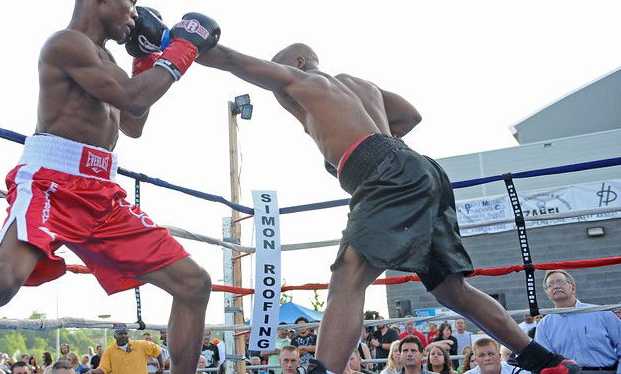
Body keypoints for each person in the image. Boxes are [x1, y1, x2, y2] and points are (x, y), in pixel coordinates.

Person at [197, 43, 579, 374]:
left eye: (281, 77)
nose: (281, 94)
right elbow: (410, 115)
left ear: (297, 62)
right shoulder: (358, 87)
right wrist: (384, 140)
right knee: (450, 289)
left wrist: (182, 43)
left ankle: (324, 370)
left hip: (385, 172)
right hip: (416, 169)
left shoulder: (306, 82)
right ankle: (546, 362)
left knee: (349, 272)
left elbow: (233, 59)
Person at [0, 0, 219, 374]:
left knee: (194, 284)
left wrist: (147, 60)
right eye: (131, 0)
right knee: (3, 281)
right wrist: (183, 49)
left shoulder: (109, 63)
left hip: (102, 195)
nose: (135, 14)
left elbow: (133, 122)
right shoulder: (66, 44)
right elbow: (133, 99)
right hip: (52, 184)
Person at [534, 270, 621, 372]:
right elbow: (543, 359)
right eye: (550, 285)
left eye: (560, 282)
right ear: (548, 294)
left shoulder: (601, 313)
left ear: (573, 288)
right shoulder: (544, 325)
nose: (556, 286)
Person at [89, 329, 163, 374]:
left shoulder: (141, 344)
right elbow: (103, 369)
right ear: (115, 336)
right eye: (120, 334)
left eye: (125, 333)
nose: (123, 336)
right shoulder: (109, 350)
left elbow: (157, 350)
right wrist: (92, 371)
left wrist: (161, 367)